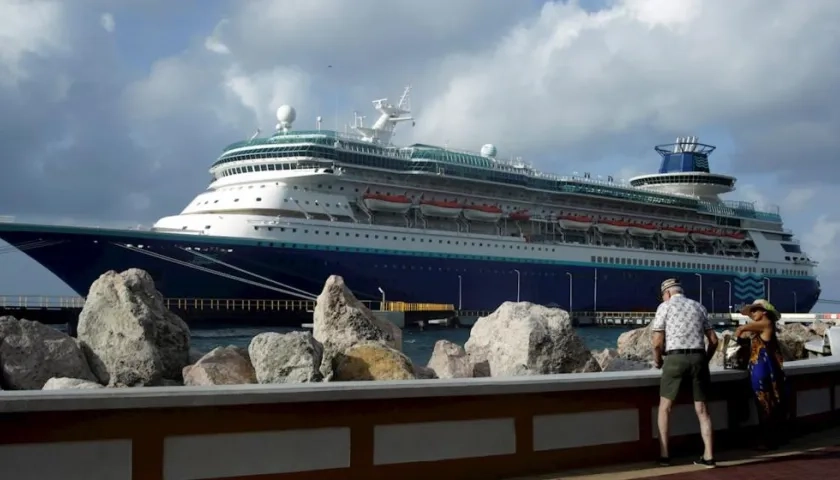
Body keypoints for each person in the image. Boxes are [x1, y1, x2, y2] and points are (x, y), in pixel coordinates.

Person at [651, 278, 718, 468]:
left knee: (665, 408)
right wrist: (705, 359)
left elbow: (657, 342)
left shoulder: (664, 307)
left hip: (674, 358)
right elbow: (713, 340)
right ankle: (709, 456)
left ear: (668, 293)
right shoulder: (699, 306)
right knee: (702, 410)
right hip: (698, 357)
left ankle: (665, 456)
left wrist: (658, 360)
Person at [736, 299, 789, 450]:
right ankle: (775, 438)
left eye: (755, 310)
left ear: (764, 312)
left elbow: (741, 330)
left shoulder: (766, 324)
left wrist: (741, 337)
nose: (752, 314)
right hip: (767, 368)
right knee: (770, 403)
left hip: (762, 369)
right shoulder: (763, 327)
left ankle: (769, 440)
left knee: (764, 404)